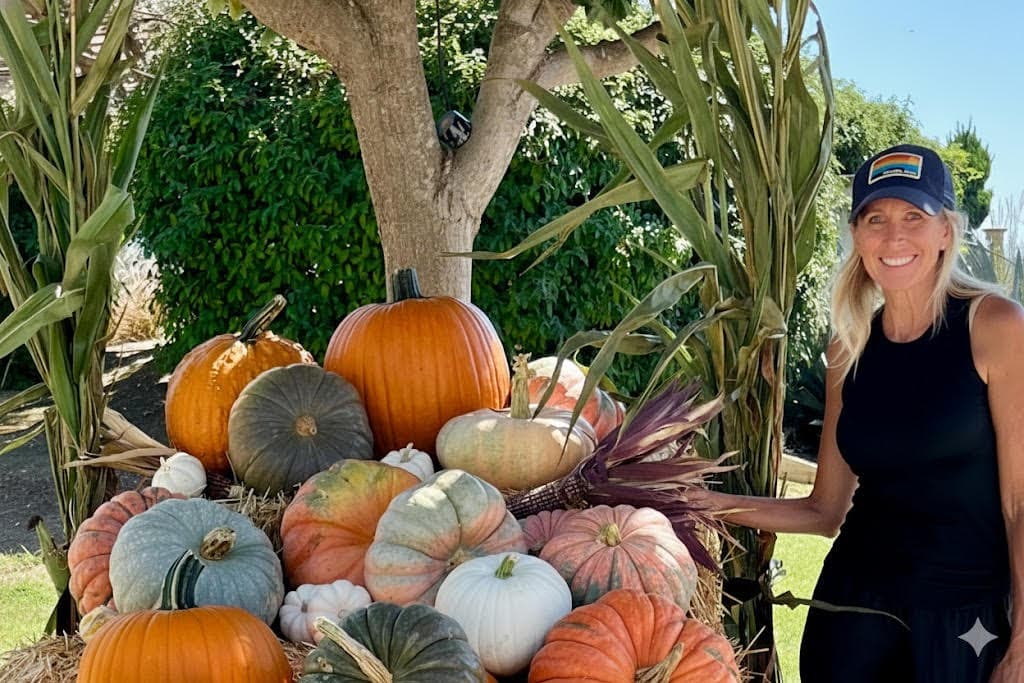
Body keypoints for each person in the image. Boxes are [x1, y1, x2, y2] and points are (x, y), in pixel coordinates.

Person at [699, 143, 1024, 683]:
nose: (894, 237)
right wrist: (705, 504)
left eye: (914, 216)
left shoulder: (995, 328)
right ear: (856, 235)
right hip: (851, 616)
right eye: (875, 219)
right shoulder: (847, 348)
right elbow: (824, 510)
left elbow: (1019, 504)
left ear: (946, 231)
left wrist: (1023, 644)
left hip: (963, 626)